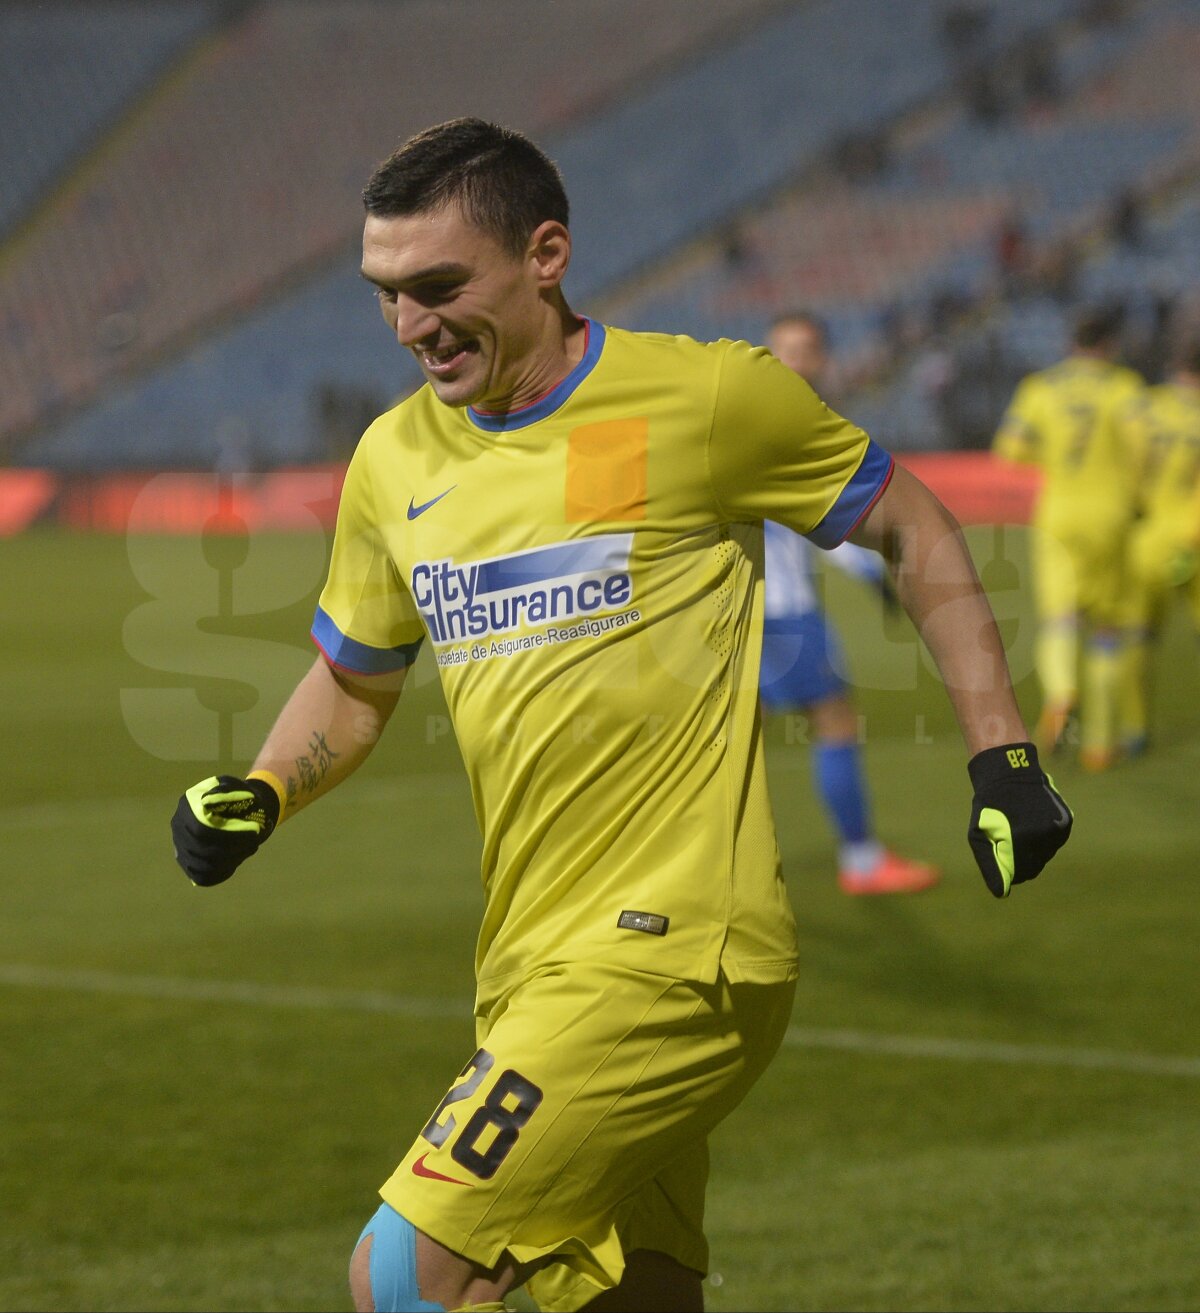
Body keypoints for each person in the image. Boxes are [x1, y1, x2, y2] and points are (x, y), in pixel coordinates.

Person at [170, 118, 1073, 1313]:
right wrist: (266, 787)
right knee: (634, 1296)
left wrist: (1003, 756)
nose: (410, 325)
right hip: (527, 961)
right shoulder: (392, 459)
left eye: (440, 287)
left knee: (407, 1274)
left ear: (546, 253)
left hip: (678, 950)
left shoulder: (708, 396)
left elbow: (915, 522)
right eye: (386, 295)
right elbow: (354, 677)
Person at [760, 312, 939, 895]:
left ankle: (692, 870)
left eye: (805, 348)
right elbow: (817, 517)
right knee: (833, 722)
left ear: (822, 359)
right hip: (780, 610)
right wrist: (872, 573)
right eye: (786, 348)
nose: (796, 359)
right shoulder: (790, 422)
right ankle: (862, 861)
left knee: (725, 743)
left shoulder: (750, 415)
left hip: (730, 609)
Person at [992, 303, 1145, 770]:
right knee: (1107, 629)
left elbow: (1010, 450)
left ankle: (1061, 692)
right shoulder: (1124, 387)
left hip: (1058, 513)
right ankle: (1101, 743)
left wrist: (1052, 456)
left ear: (1070, 344)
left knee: (1059, 618)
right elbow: (1143, 446)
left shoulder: (1039, 387)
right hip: (1112, 514)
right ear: (1110, 346)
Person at [1119, 332, 1200, 748]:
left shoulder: (1144, 408)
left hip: (1145, 539)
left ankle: (1135, 730)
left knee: (1138, 636)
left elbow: (1124, 467)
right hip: (1193, 539)